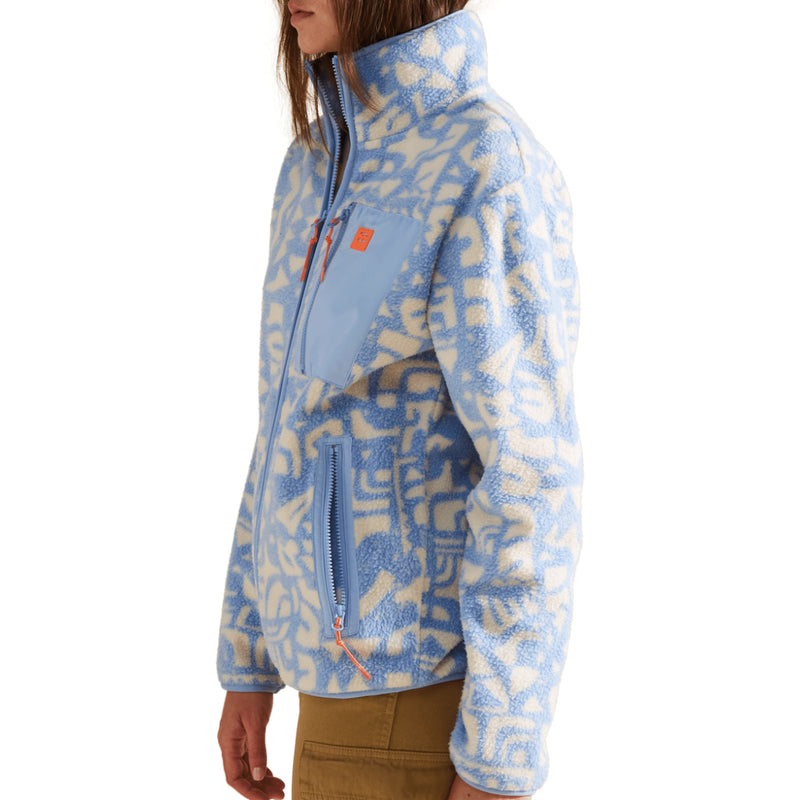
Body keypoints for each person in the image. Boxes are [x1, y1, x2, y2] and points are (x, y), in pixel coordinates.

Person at [216, 2, 583, 799]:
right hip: (327, 692)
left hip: (414, 702)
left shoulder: (482, 161)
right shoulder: (316, 161)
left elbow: (529, 470)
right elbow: (286, 424)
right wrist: (250, 656)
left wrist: (500, 754)